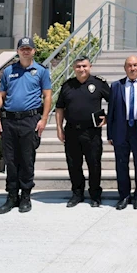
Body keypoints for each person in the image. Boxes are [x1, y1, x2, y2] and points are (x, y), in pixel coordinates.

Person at [0, 37, 52, 214]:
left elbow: (47, 96)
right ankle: (12, 196)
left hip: (30, 120)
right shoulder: (8, 71)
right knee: (11, 160)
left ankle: (25, 195)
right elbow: (0, 96)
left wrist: (43, 119)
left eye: (28, 48)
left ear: (34, 51)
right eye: (22, 48)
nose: (25, 51)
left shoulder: (41, 71)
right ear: (18, 51)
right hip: (9, 121)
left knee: (27, 159)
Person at [54, 56, 110, 208]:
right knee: (74, 165)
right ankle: (77, 194)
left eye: (84, 66)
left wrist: (107, 118)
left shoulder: (99, 83)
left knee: (94, 164)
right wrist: (59, 128)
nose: (81, 69)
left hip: (92, 133)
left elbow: (115, 101)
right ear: (74, 68)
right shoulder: (67, 85)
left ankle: (95, 195)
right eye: (78, 66)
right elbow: (59, 108)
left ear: (90, 66)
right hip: (72, 131)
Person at [107, 55, 137, 210]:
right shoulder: (116, 86)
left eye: (135, 65)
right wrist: (109, 133)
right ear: (125, 68)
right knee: (121, 165)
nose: (132, 68)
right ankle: (124, 196)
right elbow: (111, 111)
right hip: (121, 131)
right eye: (129, 65)